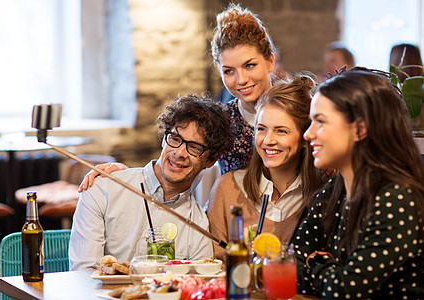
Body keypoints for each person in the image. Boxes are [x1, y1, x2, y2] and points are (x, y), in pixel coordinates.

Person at [77, 3, 281, 195]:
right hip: (235, 221)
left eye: (250, 65)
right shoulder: (222, 120)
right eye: (229, 71)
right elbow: (174, 166)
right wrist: (124, 174)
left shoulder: (297, 110)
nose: (241, 80)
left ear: (270, 61)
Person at [295, 67, 424, 298]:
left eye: (320, 122)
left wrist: (315, 262)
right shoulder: (336, 188)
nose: (308, 134)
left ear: (360, 129)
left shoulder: (395, 198)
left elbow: (344, 291)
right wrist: (329, 270)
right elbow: (291, 262)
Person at [69, 94, 233, 270]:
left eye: (194, 147)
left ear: (210, 160)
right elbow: (83, 273)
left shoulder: (199, 226)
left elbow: (193, 287)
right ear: (164, 139)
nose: (179, 153)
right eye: (175, 139)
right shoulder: (104, 189)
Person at [207, 73, 327, 260]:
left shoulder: (323, 194)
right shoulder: (226, 189)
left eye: (281, 131)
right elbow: (215, 267)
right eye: (262, 129)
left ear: (305, 138)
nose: (268, 141)